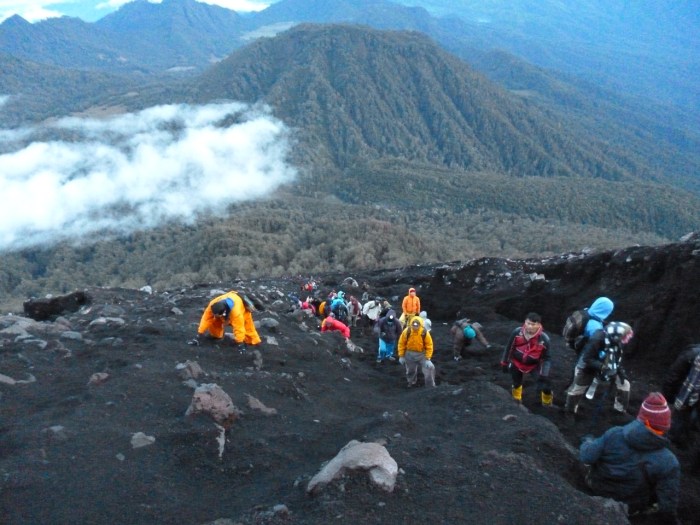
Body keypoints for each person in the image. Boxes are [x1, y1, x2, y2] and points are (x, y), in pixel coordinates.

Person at [579, 392, 680, 524]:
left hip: (596, 489)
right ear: (666, 424)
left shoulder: (614, 433)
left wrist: (587, 441)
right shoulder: (668, 461)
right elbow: (667, 505)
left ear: (641, 418)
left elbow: (586, 457)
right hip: (629, 507)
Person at [564, 321, 633, 416]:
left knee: (625, 384)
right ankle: (570, 411)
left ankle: (619, 411)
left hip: (608, 365)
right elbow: (586, 358)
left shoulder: (617, 341)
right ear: (617, 335)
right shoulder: (597, 339)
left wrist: (621, 373)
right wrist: (602, 367)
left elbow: (617, 358)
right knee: (577, 389)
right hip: (588, 367)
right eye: (625, 336)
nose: (627, 339)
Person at [500, 312, 552, 406]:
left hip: (534, 365)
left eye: (533, 324)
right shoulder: (517, 332)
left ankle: (547, 403)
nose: (530, 326)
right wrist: (504, 362)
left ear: (538, 325)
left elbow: (547, 358)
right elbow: (509, 347)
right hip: (517, 362)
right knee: (516, 383)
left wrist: (544, 374)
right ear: (525, 322)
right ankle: (517, 401)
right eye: (528, 323)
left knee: (545, 387)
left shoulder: (544, 339)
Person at [190, 291, 261, 351]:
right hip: (226, 306)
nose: (215, 316)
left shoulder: (236, 312)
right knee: (215, 321)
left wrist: (239, 343)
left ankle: (253, 342)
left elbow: (239, 327)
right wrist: (200, 333)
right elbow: (206, 319)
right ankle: (216, 336)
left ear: (223, 313)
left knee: (247, 326)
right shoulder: (212, 305)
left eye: (218, 315)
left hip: (239, 306)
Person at [664, 344, 700, 449]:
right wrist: (669, 394)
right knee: (680, 418)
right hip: (684, 394)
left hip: (694, 398)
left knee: (690, 419)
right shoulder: (690, 355)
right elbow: (674, 375)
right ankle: (672, 442)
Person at [397, 316, 435, 388]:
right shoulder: (407, 331)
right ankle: (411, 382)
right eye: (413, 324)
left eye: (417, 324)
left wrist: (428, 358)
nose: (415, 326)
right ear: (411, 324)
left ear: (420, 324)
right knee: (410, 370)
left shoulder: (424, 333)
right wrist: (401, 356)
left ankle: (430, 386)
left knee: (429, 367)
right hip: (409, 354)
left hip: (422, 354)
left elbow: (429, 345)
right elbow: (401, 343)